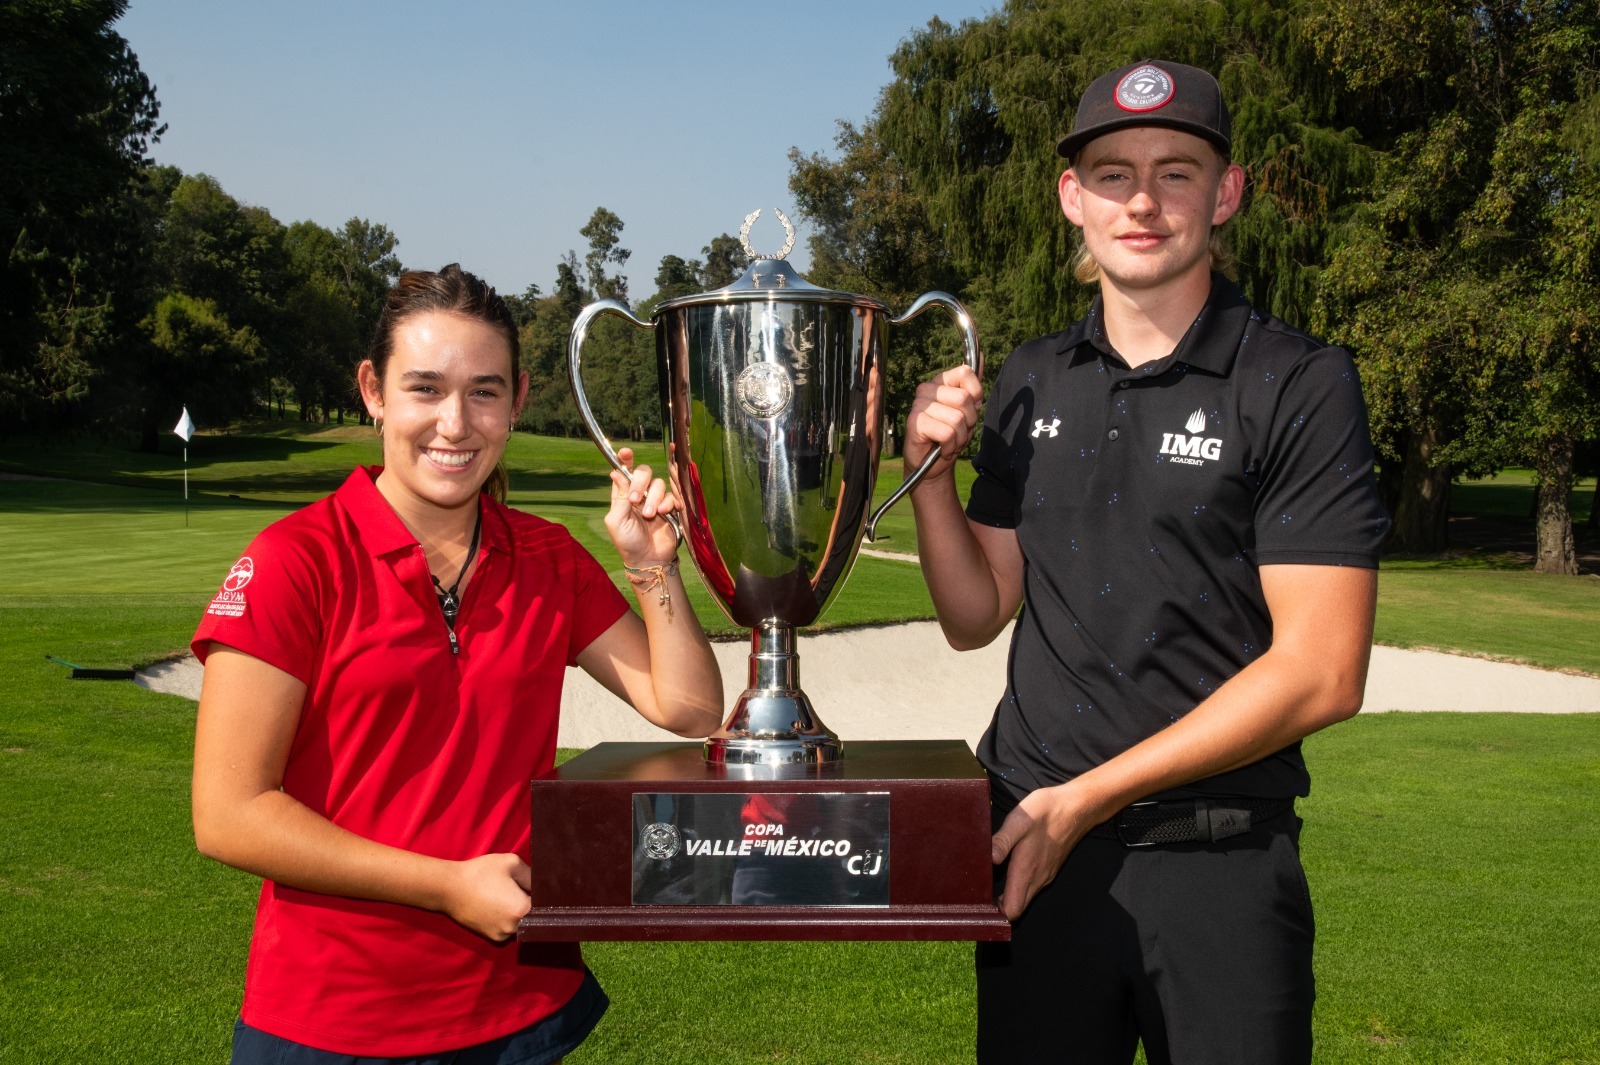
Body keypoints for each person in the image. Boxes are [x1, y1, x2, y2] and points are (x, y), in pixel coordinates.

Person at [904, 61, 1390, 1064]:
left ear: (1225, 194)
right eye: (1113, 174)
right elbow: (974, 611)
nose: (1142, 201)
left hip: (1214, 863)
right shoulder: (1034, 376)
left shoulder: (1295, 379)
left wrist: (1086, 798)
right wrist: (931, 482)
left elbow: (1323, 671)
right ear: (1072, 198)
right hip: (1033, 855)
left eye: (1176, 172)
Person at [190, 264, 724, 1064]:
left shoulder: (545, 555)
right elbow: (228, 812)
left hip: (516, 1011)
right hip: (331, 1022)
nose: (455, 422)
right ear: (373, 391)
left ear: (517, 397)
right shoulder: (294, 562)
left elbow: (689, 707)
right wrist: (444, 884)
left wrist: (653, 566)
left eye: (483, 391)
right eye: (425, 388)